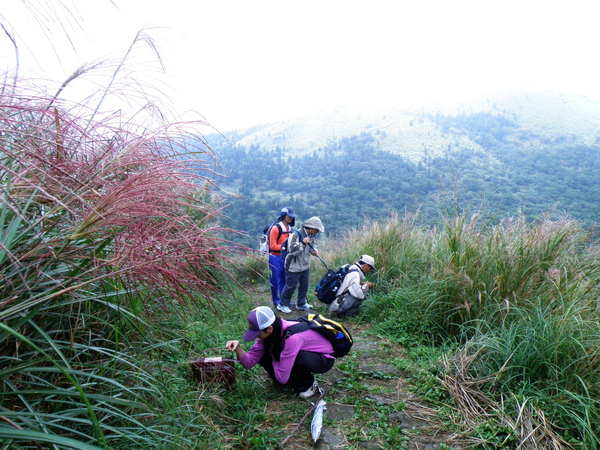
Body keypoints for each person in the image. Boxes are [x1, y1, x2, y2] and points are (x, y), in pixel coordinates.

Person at [225, 306, 335, 399]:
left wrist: (274, 357)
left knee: (294, 357)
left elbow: (282, 378)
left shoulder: (293, 338)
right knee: (269, 354)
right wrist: (238, 348)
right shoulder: (268, 336)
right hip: (301, 353)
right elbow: (249, 363)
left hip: (322, 359)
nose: (256, 336)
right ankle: (291, 381)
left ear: (269, 329)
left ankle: (308, 384)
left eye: (257, 333)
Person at [278, 216, 325, 314]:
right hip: (293, 265)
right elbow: (292, 250)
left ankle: (301, 303)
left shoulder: (312, 236)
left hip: (305, 265)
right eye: (317, 230)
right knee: (291, 286)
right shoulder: (296, 235)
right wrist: (303, 243)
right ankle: (282, 305)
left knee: (304, 285)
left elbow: (313, 246)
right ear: (311, 228)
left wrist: (314, 251)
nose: (317, 232)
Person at [267, 207, 296, 307]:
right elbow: (272, 246)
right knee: (275, 280)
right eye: (289, 216)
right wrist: (286, 247)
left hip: (285, 257)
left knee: (284, 279)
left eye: (292, 217)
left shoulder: (289, 228)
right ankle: (276, 301)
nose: (291, 219)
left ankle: (284, 301)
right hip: (274, 257)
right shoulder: (276, 228)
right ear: (284, 216)